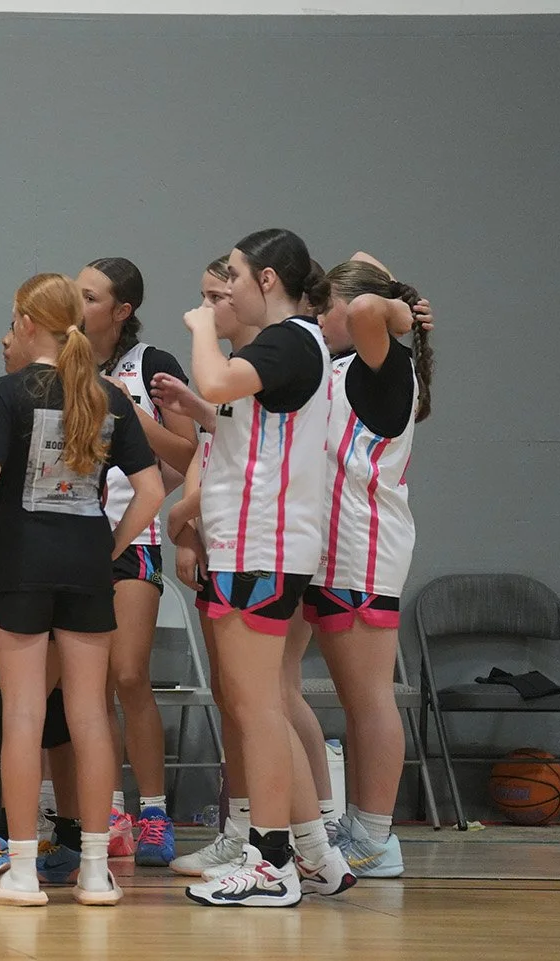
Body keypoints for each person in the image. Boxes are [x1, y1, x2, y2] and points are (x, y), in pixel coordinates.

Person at [0, 273, 163, 908]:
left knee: (22, 714)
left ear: (26, 321)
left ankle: (22, 873)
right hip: (85, 566)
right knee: (91, 715)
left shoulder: (1, 394)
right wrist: (107, 548)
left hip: (18, 563)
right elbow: (153, 491)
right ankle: (97, 872)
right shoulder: (108, 395)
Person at [180, 229, 351, 908]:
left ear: (269, 280)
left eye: (236, 279)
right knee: (265, 705)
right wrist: (202, 411)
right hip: (251, 541)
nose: (226, 293)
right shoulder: (286, 349)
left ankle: (270, 860)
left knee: (254, 708)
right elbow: (242, 419)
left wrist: (200, 330)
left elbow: (217, 376)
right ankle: (315, 852)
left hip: (264, 544)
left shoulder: (286, 340)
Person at [309, 257, 434, 878]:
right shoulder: (340, 367)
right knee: (352, 703)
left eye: (322, 305)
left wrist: (400, 310)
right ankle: (350, 824)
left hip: (364, 547)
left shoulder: (384, 365)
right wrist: (395, 291)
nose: (316, 315)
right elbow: (362, 270)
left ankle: (377, 837)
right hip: (326, 549)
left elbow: (363, 302)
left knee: (368, 700)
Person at [76, 257, 197, 865]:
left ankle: (154, 811)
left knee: (128, 674)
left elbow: (187, 450)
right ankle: (110, 811)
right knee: (87, 685)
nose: (78, 303)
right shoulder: (64, 361)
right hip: (71, 538)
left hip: (134, 535)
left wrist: (131, 410)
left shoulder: (150, 365)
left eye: (91, 296)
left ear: (121, 311)